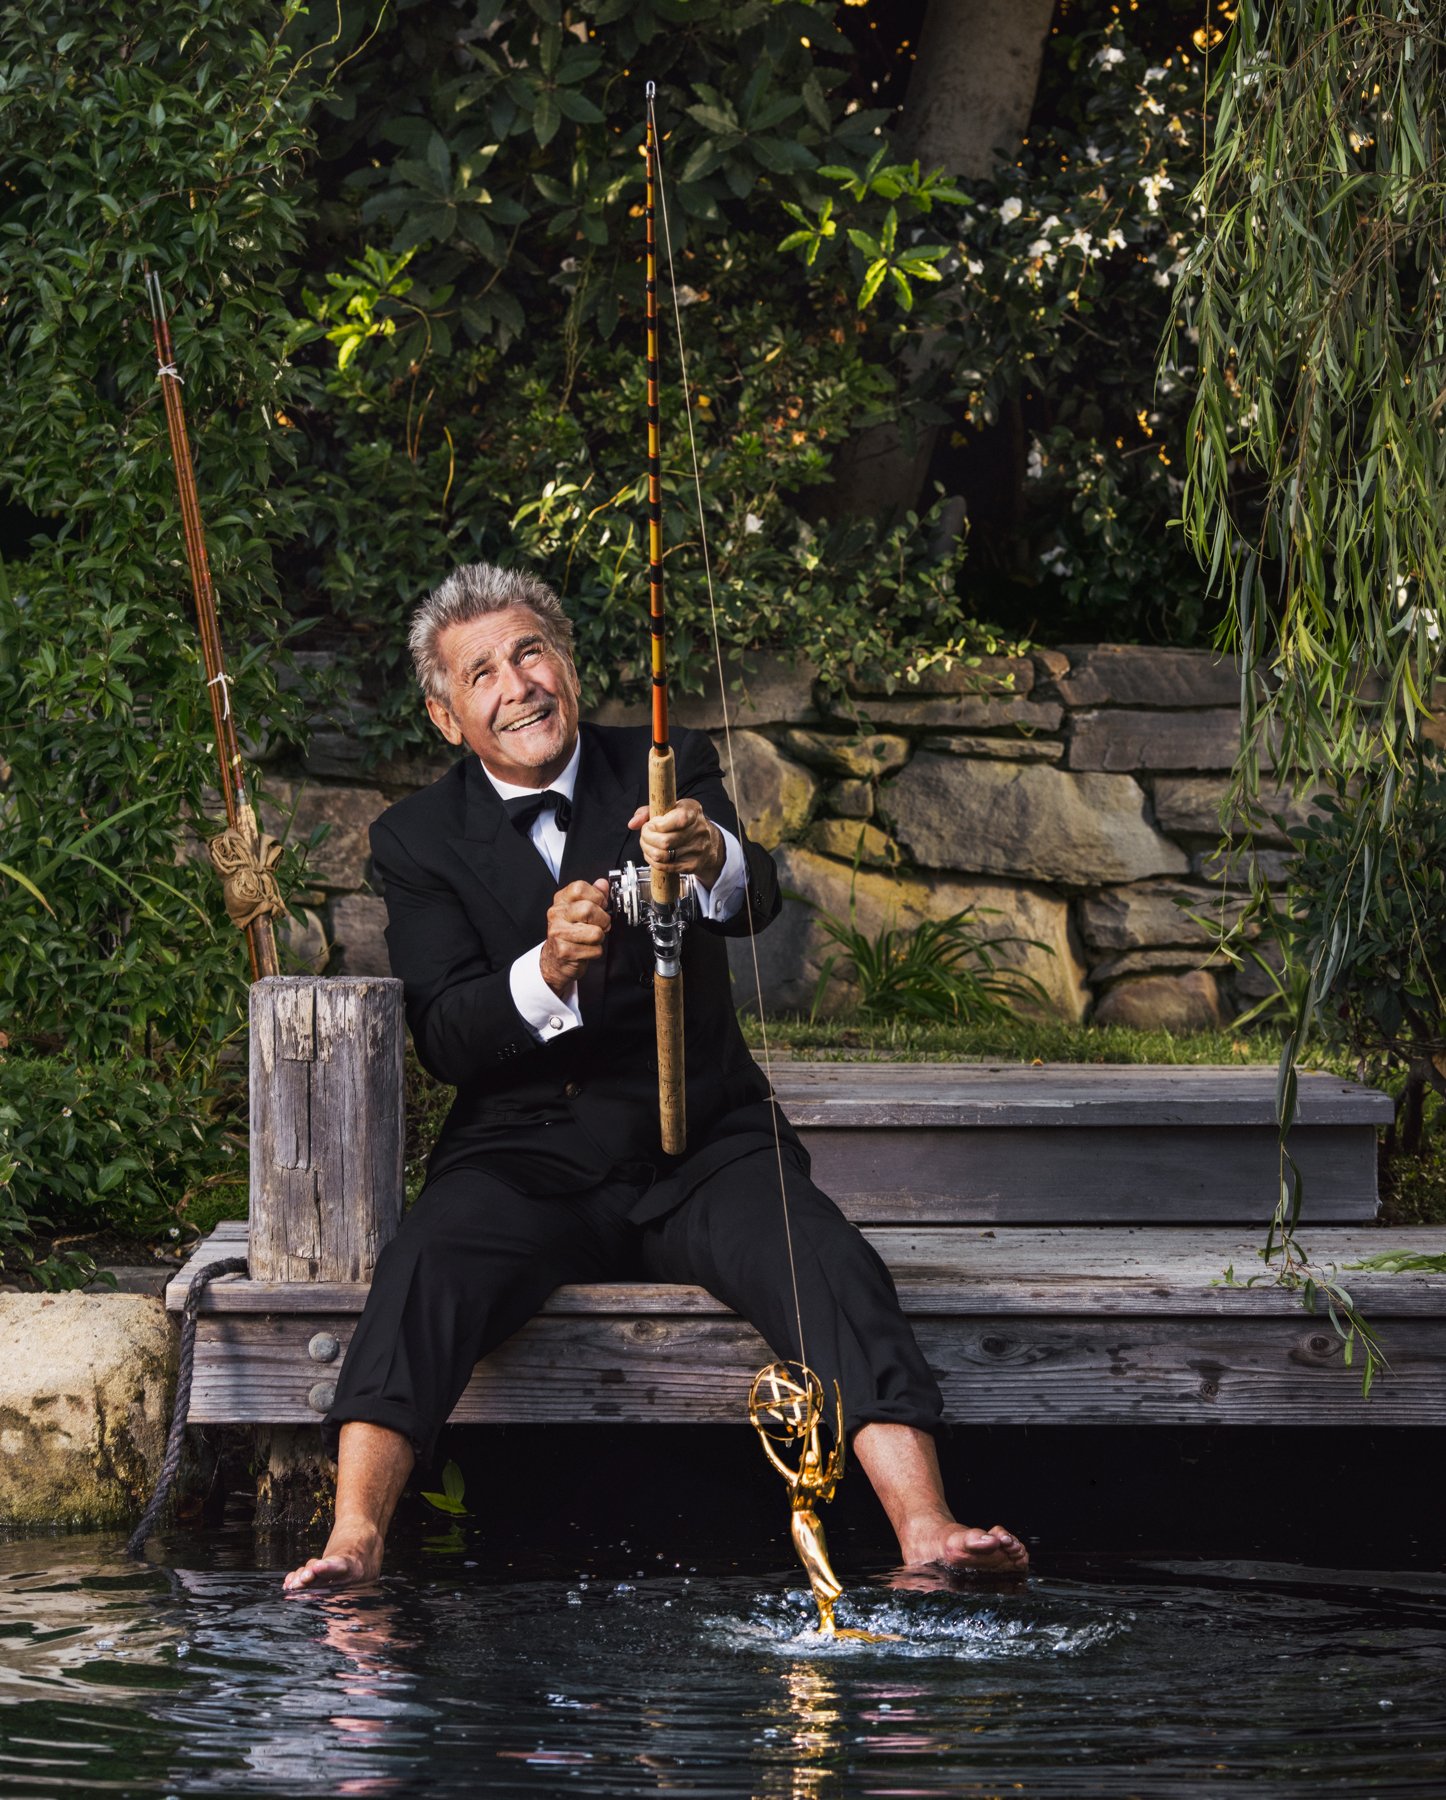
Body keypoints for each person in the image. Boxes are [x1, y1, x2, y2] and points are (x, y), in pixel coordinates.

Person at [284, 563, 1027, 1593]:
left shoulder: (662, 766)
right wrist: (545, 972)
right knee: (426, 1265)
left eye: (532, 651)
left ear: (571, 664)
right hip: (524, 1155)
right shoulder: (416, 838)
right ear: (448, 716)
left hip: (703, 1143)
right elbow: (449, 1034)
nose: (519, 684)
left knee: (825, 1257)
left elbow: (755, 896)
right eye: (483, 671)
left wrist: (712, 847)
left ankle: (928, 1528)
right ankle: (355, 1540)